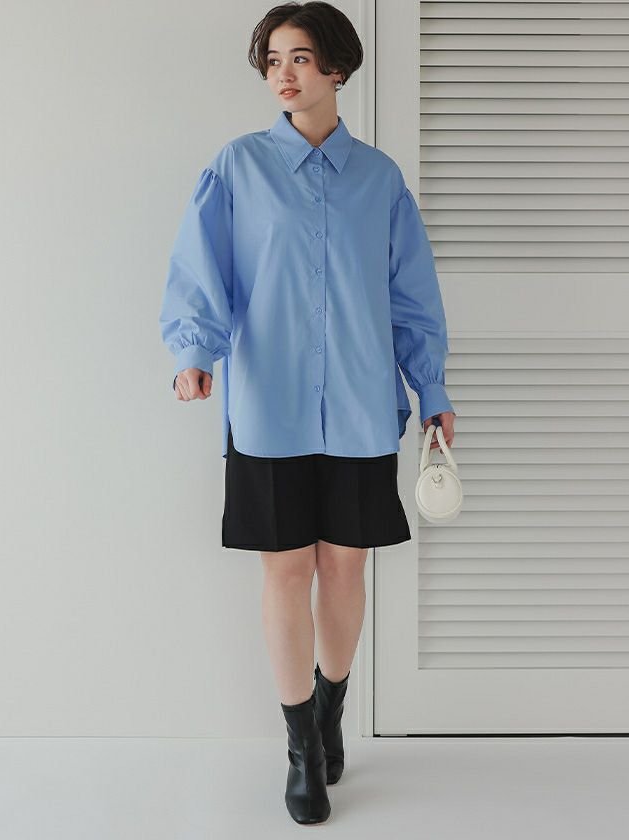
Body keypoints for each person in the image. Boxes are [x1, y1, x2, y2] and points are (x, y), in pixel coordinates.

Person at [158, 1, 455, 826]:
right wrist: (194, 352)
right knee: (286, 571)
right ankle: (301, 749)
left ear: (337, 68)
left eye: (298, 57)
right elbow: (202, 269)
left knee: (346, 568)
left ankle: (330, 707)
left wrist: (431, 390)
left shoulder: (379, 180)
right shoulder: (239, 167)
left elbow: (412, 296)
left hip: (360, 405)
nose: (282, 74)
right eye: (272, 60)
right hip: (270, 407)